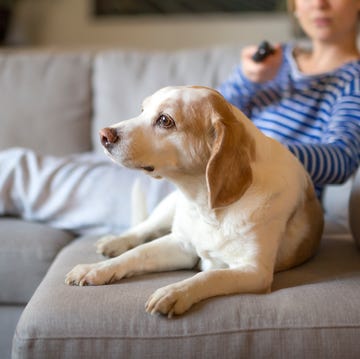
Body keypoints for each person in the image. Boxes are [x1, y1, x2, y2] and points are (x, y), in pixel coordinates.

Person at [218, 0, 360, 201]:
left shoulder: (354, 81)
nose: (319, 4)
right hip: (225, 187)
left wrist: (258, 152)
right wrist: (246, 80)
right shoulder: (276, 59)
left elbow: (341, 161)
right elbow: (206, 122)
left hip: (282, 207)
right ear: (295, 6)